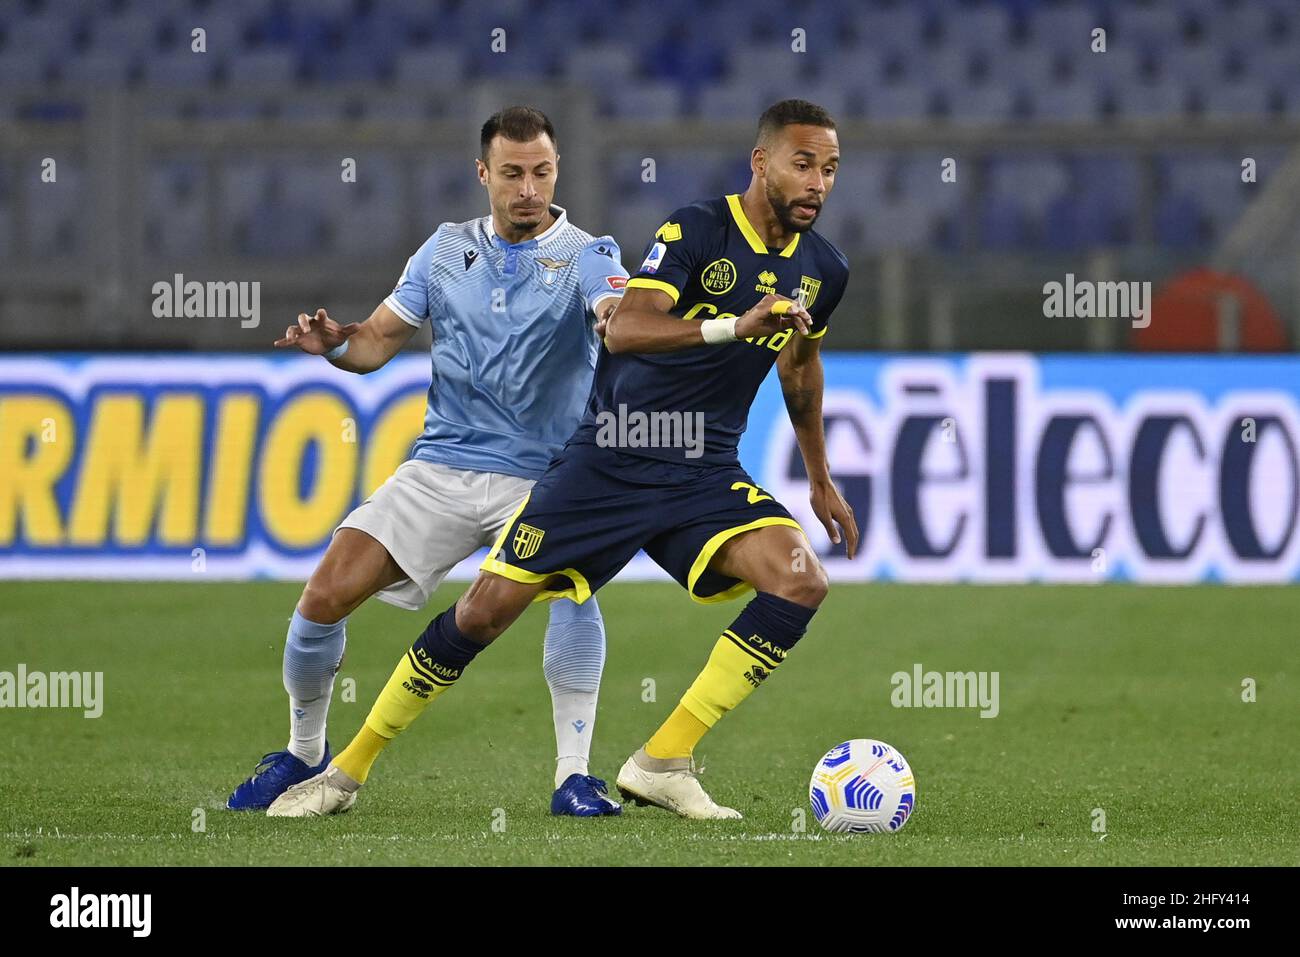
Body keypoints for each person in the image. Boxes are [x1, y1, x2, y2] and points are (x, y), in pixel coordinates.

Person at [269, 98, 857, 821]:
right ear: (761, 161)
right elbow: (629, 326)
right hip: (608, 460)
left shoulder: (822, 269)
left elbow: (798, 368)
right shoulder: (695, 229)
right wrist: (733, 324)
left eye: (829, 169)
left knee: (800, 579)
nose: (818, 183)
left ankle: (660, 761)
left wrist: (821, 478)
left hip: (702, 469)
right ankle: (341, 771)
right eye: (804, 164)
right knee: (482, 614)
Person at [228, 106, 627, 817]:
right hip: (441, 468)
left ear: (556, 170)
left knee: (572, 586)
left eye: (541, 171)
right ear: (483, 174)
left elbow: (614, 313)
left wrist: (617, 319)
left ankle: (574, 775)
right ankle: (302, 751)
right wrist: (336, 347)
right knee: (323, 596)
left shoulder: (592, 255)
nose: (528, 188)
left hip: (544, 478)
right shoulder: (443, 251)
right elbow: (376, 342)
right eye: (512, 173)